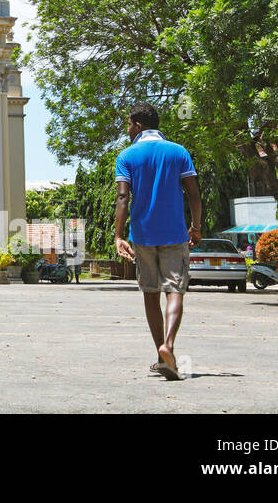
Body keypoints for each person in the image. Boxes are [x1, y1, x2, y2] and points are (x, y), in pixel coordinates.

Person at [113, 102, 202, 381]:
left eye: (128, 125)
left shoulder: (127, 156)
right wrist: (196, 227)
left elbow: (123, 198)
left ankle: (160, 355)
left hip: (143, 235)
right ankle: (169, 347)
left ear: (138, 125)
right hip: (175, 234)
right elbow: (194, 193)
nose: (127, 130)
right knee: (175, 290)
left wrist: (118, 235)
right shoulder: (178, 152)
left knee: (150, 292)